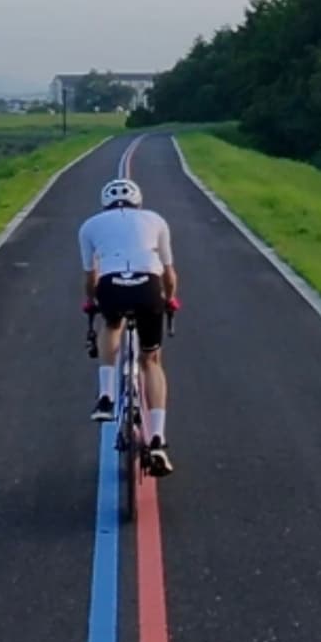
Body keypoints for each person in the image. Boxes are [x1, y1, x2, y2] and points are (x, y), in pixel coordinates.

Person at [78, 176, 178, 476]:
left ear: (104, 203)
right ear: (139, 202)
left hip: (111, 285)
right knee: (151, 360)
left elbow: (90, 277)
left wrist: (92, 302)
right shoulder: (155, 219)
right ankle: (157, 440)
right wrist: (170, 300)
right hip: (149, 286)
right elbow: (170, 274)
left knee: (112, 325)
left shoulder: (89, 225)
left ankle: (106, 396)